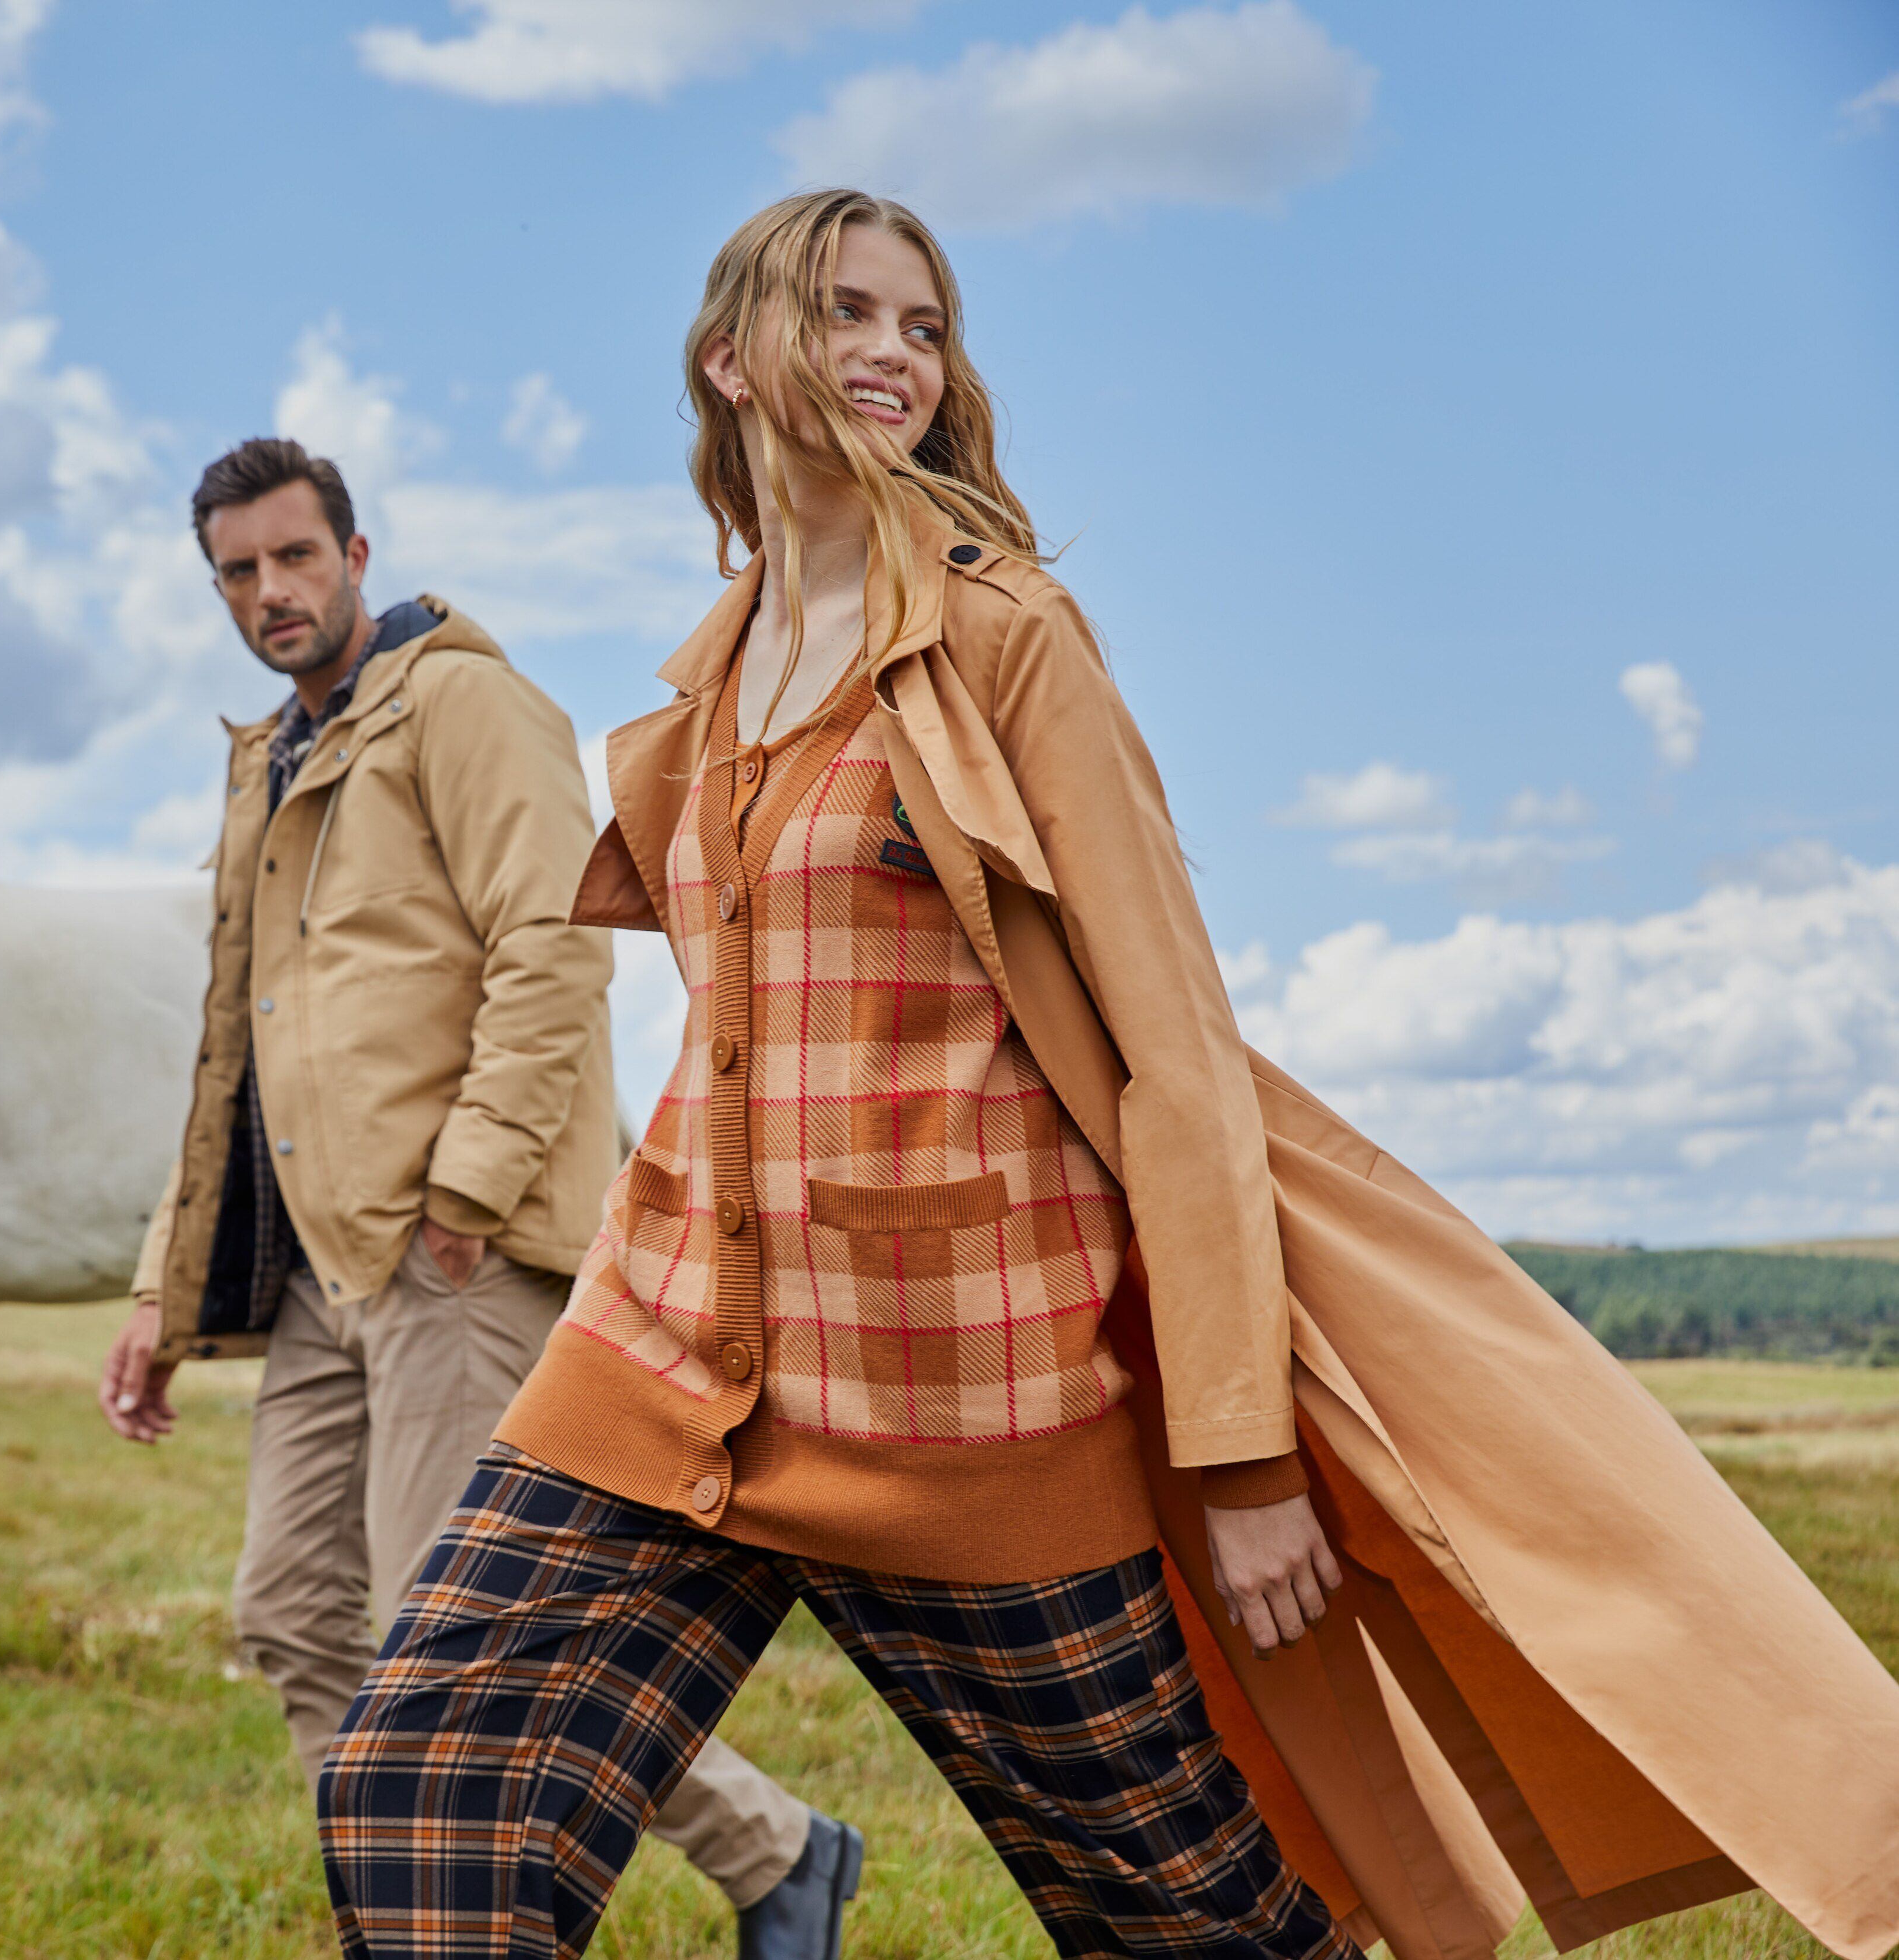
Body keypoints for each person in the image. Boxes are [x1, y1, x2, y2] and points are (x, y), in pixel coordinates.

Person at [317, 188, 1899, 1960]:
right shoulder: (704, 689)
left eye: (924, 325)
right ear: (730, 357)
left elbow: (1181, 1065)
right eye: (845, 313)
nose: (894, 354)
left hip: (963, 1403)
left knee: (1193, 1927)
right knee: (420, 1795)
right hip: (670, 1360)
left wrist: (1240, 1452)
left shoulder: (1009, 640)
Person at [98, 438, 862, 1956]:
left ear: (357, 553)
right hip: (322, 1262)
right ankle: (446, 1907)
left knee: (451, 1647)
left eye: (295, 558)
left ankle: (757, 1857)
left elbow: (559, 944)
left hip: (453, 1253)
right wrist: (156, 1290)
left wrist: (468, 1193)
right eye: (239, 573)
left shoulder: (462, 703)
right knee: (298, 1616)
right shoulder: (268, 756)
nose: (271, 594)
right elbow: (231, 1049)